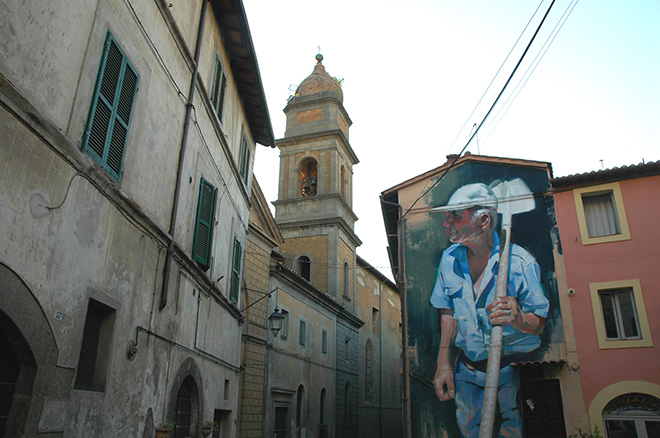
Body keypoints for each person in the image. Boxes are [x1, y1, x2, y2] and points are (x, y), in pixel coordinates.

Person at [429, 183, 549, 438]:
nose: (446, 222)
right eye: (447, 216)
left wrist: (518, 318)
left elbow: (539, 323)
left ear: (484, 220)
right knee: (469, 432)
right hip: (468, 371)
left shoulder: (519, 263)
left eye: (456, 215)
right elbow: (447, 313)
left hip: (513, 371)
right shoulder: (449, 260)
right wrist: (444, 364)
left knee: (515, 432)